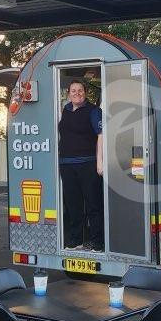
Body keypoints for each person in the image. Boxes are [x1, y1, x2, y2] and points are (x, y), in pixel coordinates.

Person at [58, 79, 104, 251]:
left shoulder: (93, 111)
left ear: (85, 92)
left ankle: (97, 242)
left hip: (88, 164)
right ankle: (76, 240)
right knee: (72, 204)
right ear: (68, 93)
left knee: (93, 204)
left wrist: (99, 162)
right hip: (67, 164)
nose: (77, 93)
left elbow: (101, 135)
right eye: (73, 90)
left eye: (80, 90)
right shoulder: (66, 110)